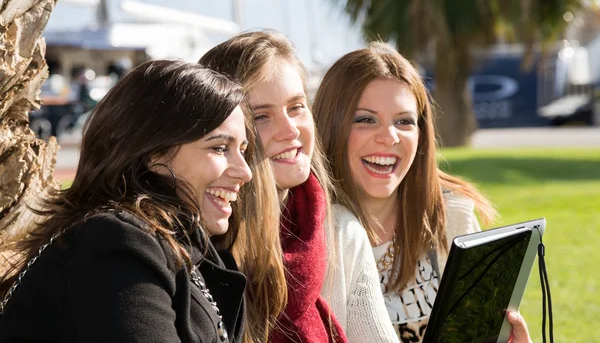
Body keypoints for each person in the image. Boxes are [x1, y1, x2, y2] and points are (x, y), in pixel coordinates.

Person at [0, 60, 255, 342]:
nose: (245, 172)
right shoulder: (117, 244)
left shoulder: (176, 245)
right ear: (153, 152)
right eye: (220, 148)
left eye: (242, 150)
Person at [312, 42, 532, 343]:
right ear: (330, 125)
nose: (389, 138)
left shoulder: (452, 215)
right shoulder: (311, 237)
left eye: (404, 122)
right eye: (365, 119)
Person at [199, 30, 398, 342]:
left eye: (296, 107)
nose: (290, 130)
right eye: (261, 116)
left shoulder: (341, 232)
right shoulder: (198, 244)